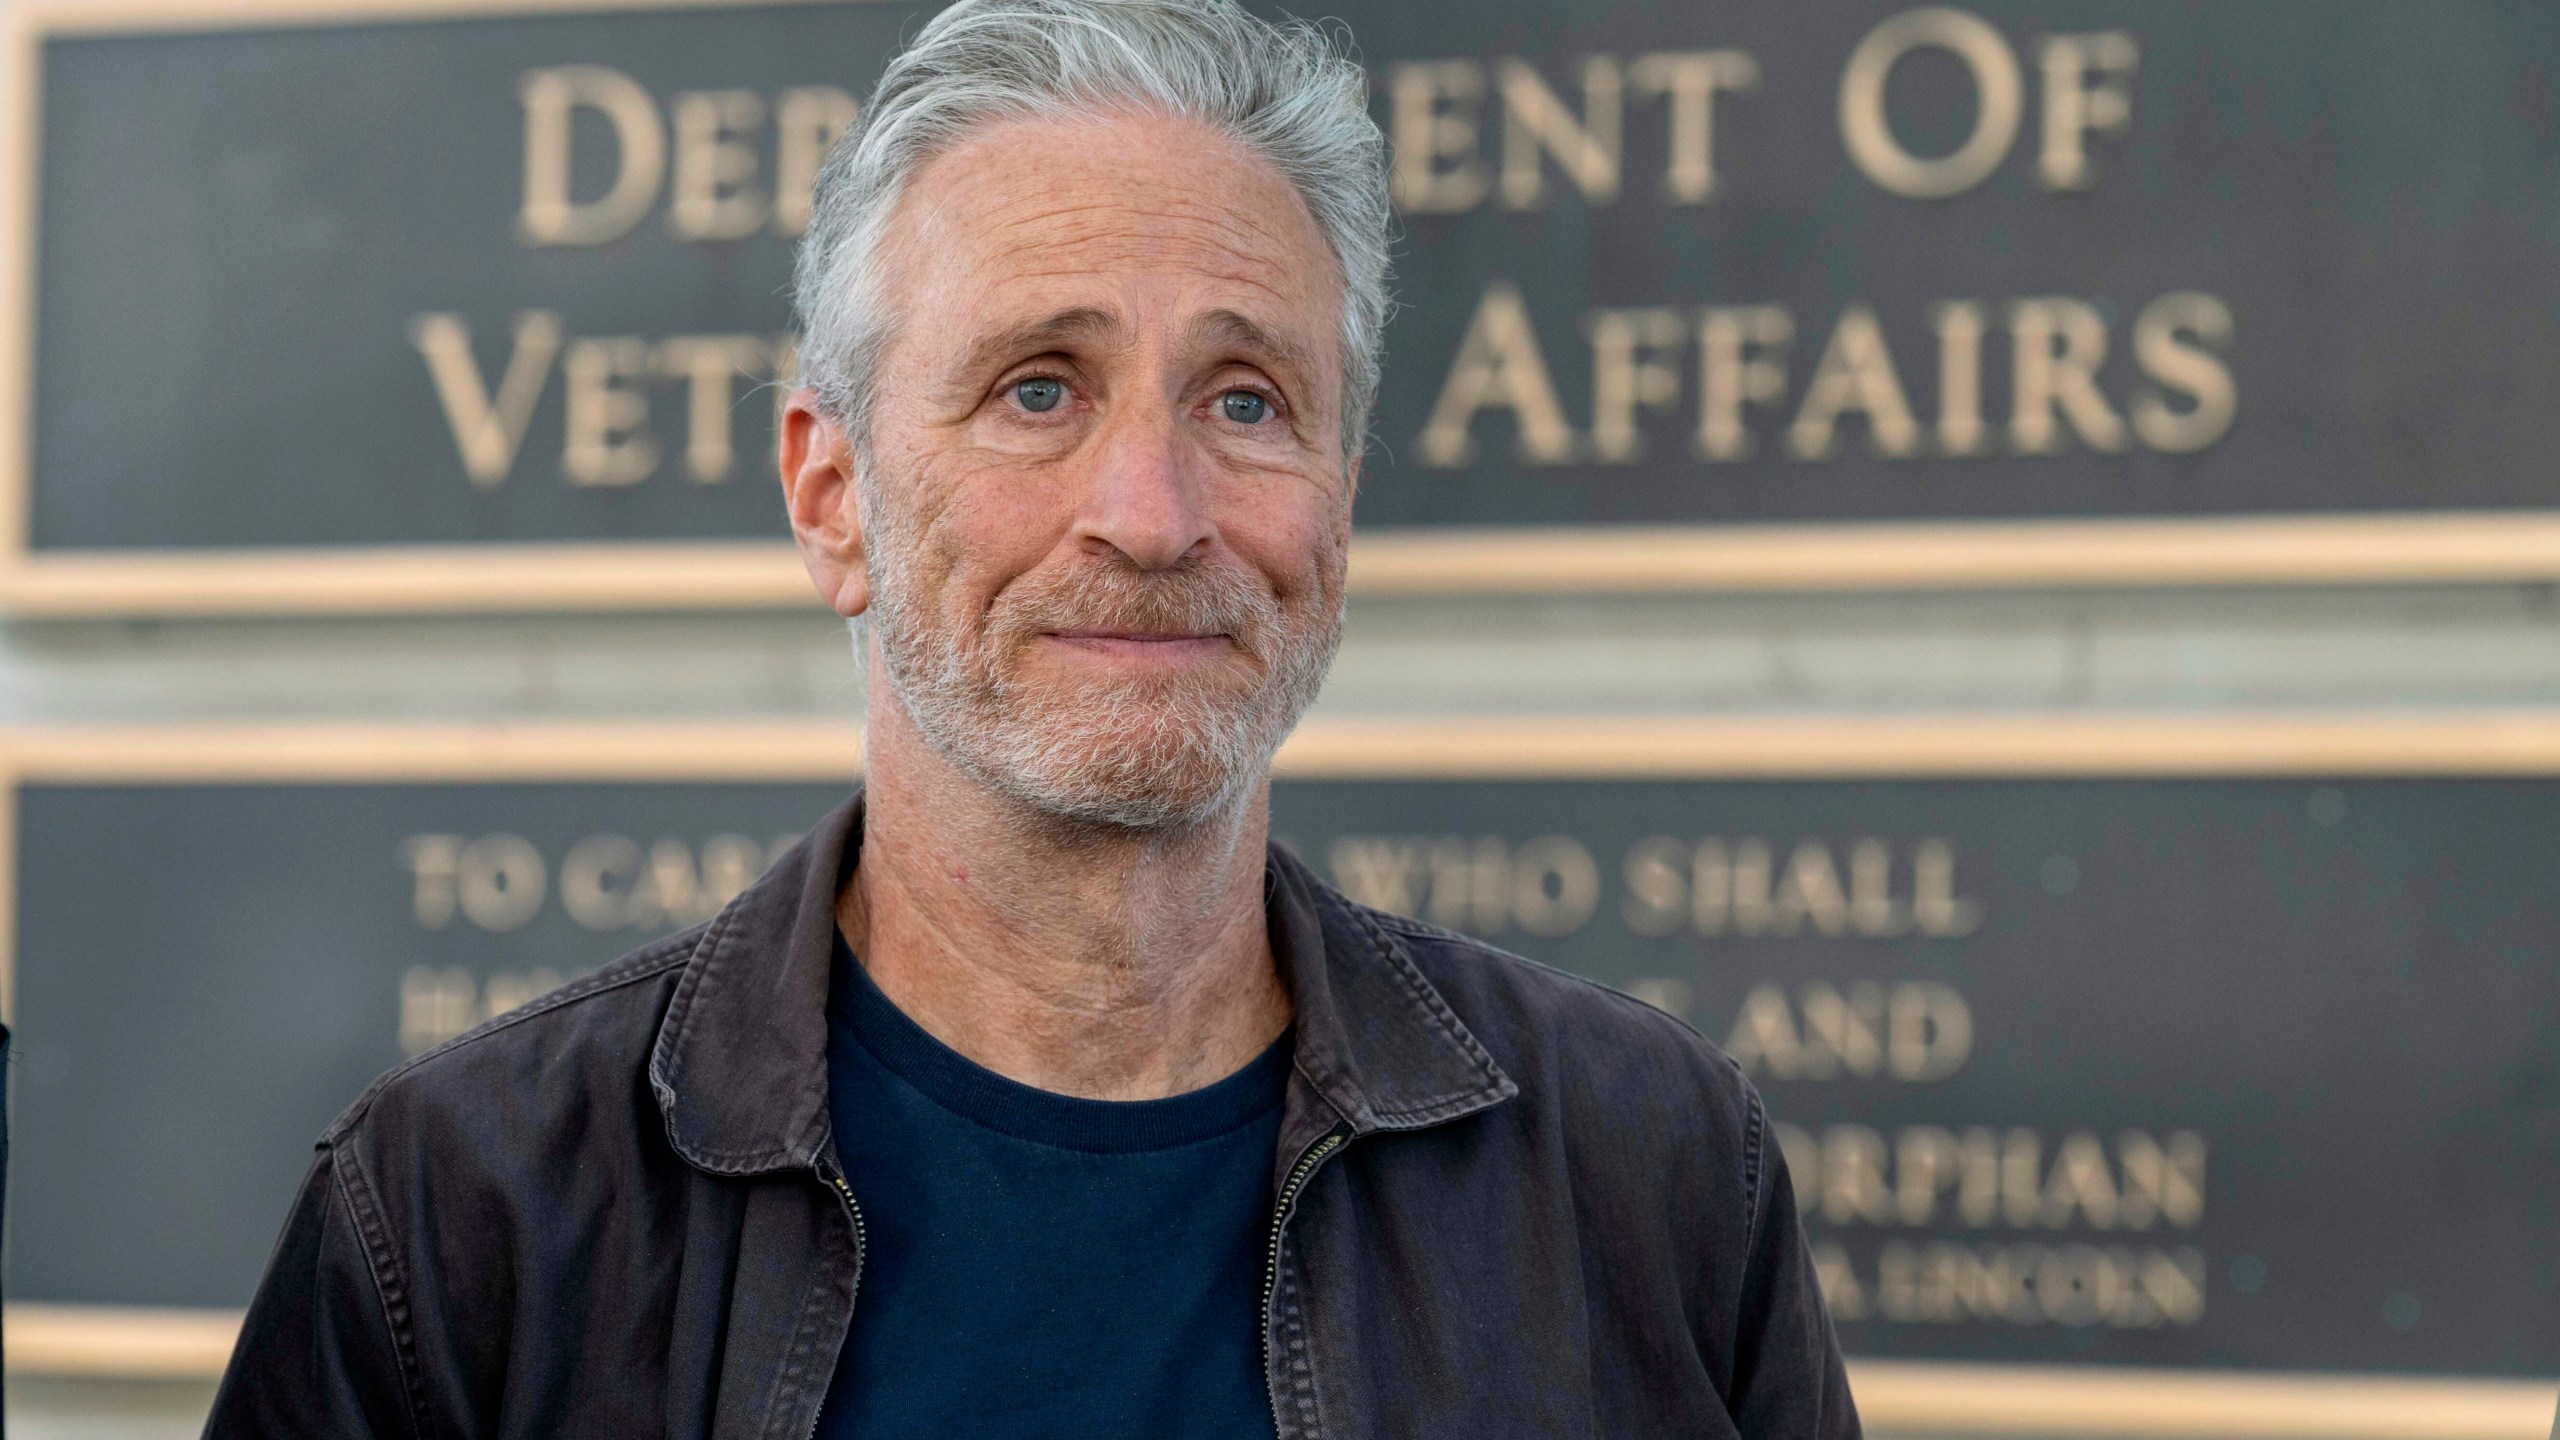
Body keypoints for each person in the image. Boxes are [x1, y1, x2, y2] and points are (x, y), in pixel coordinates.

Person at [204, 1, 1859, 1434]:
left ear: (1339, 503)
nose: (1152, 511)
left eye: (1245, 399)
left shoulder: (1653, 1169)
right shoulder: (460, 1218)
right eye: (1038, 389)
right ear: (832, 494)